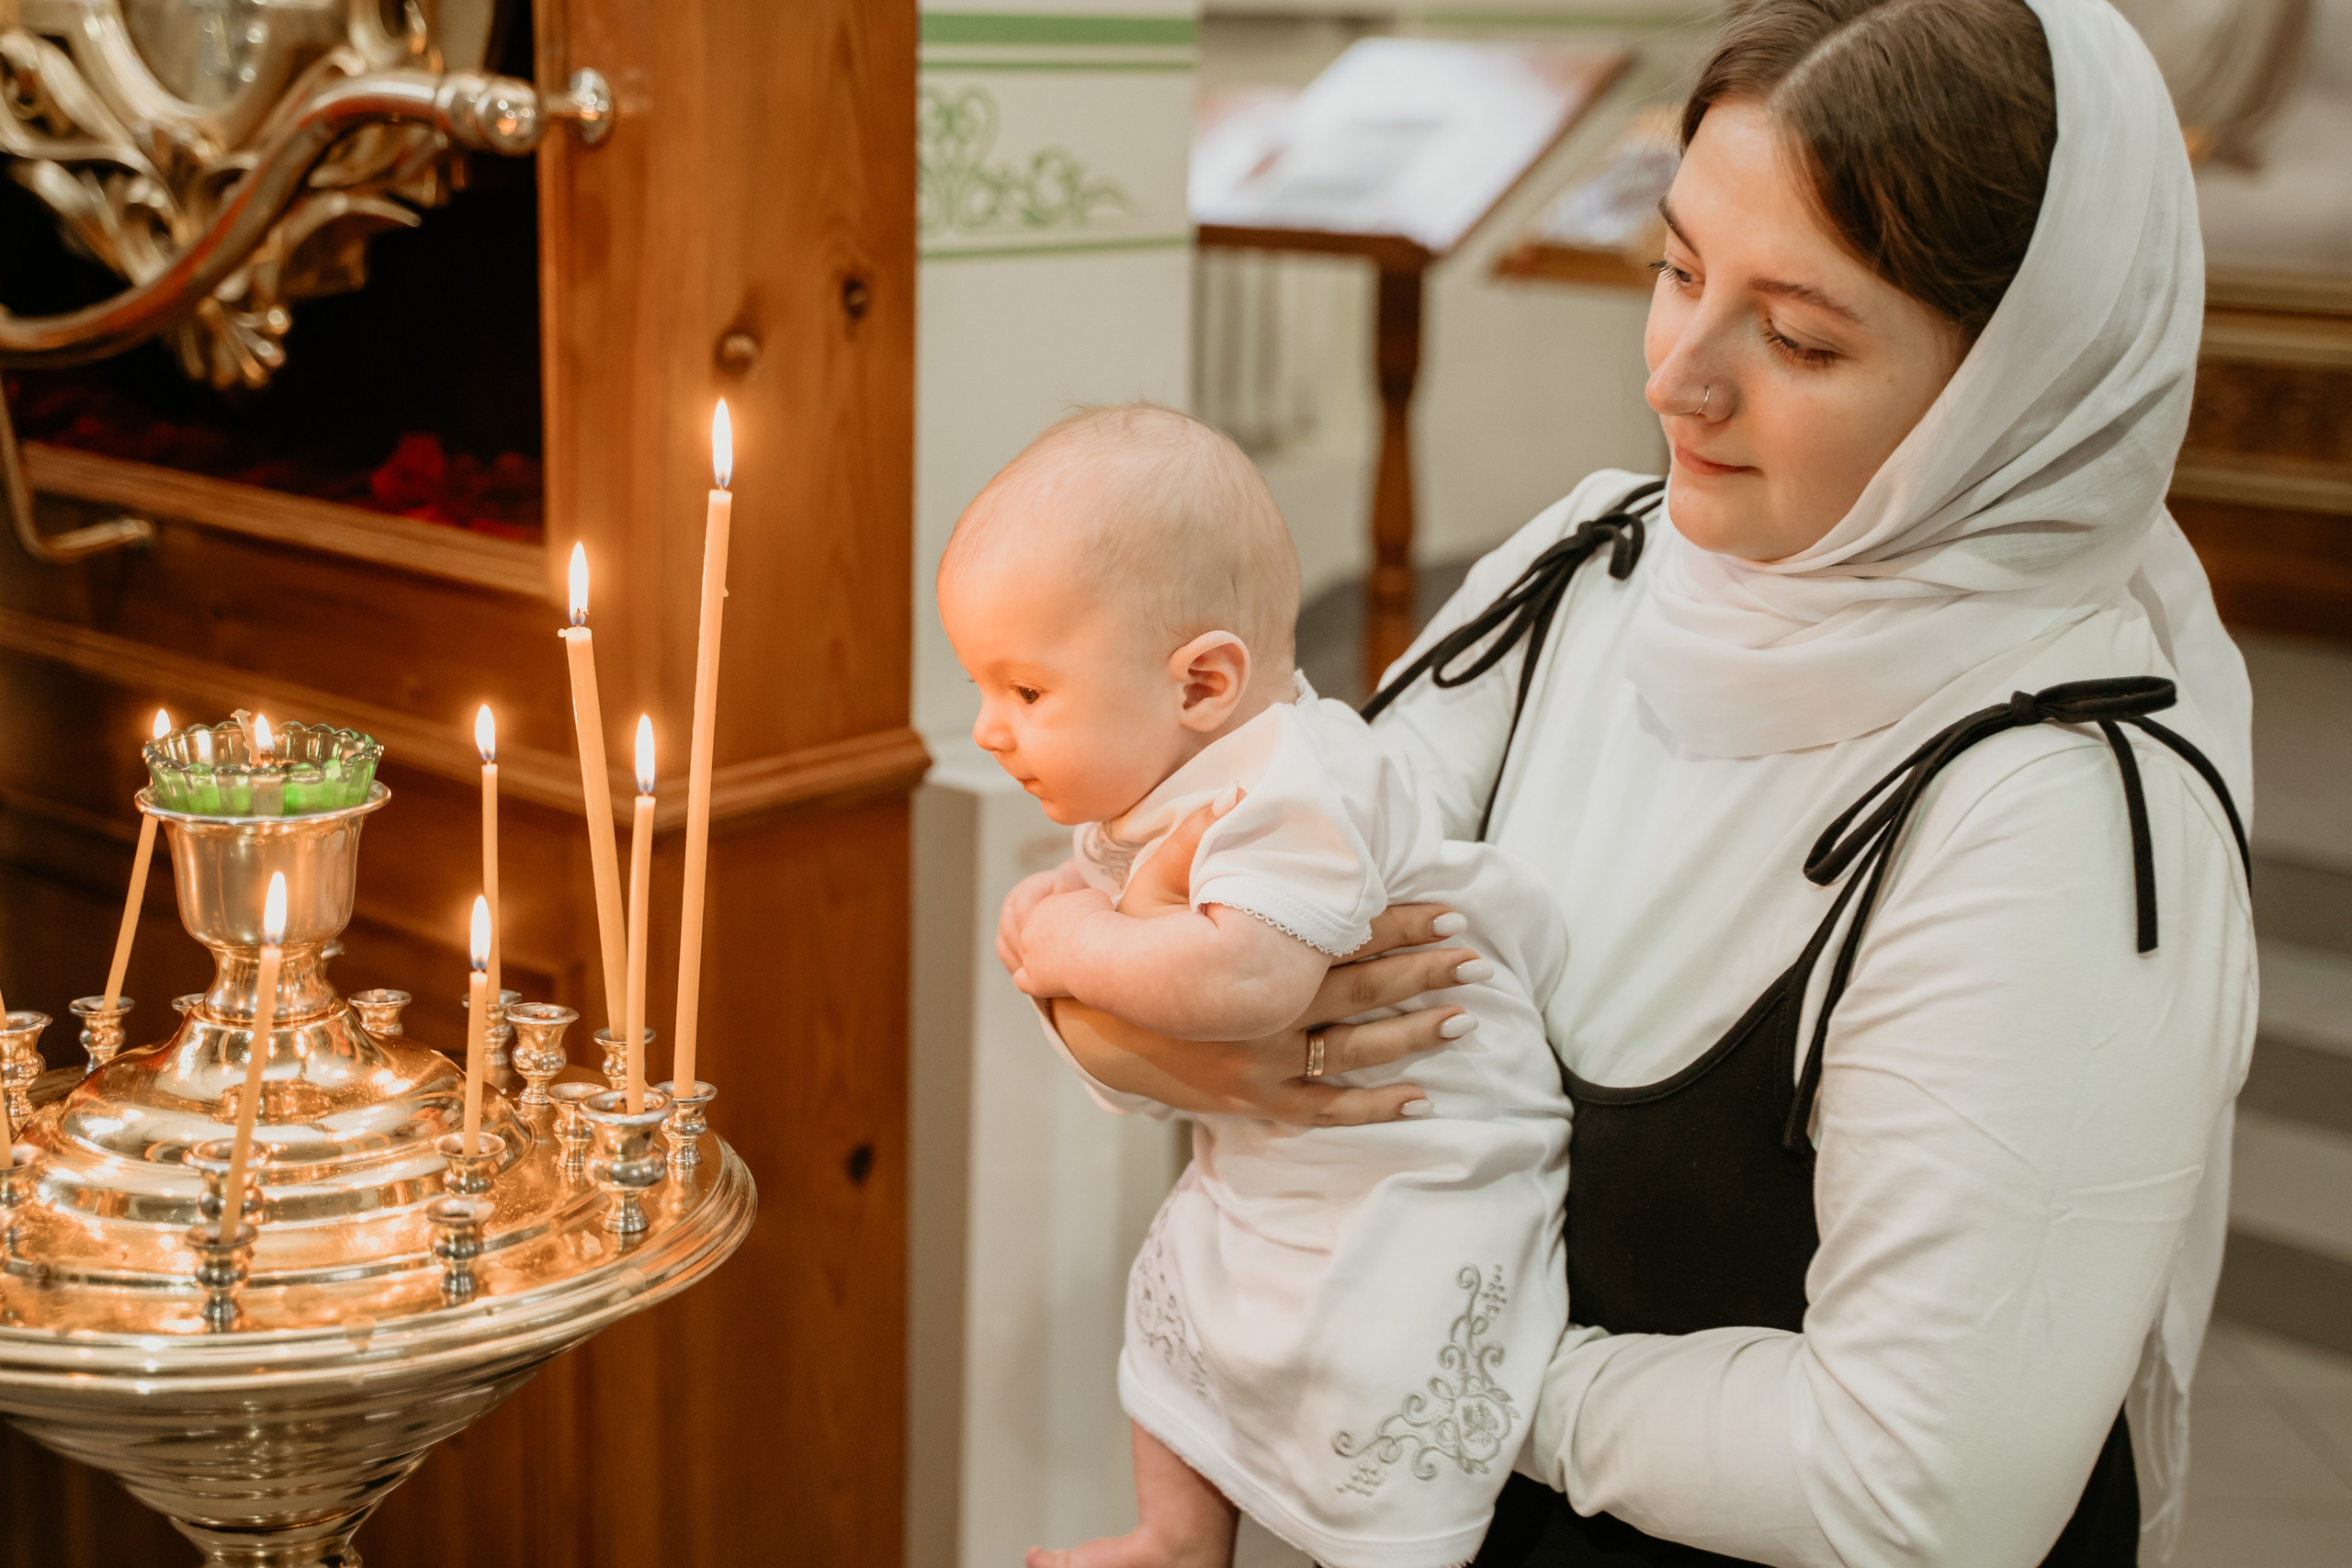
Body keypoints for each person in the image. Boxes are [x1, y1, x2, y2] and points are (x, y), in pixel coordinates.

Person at [1038, 1, 2259, 1563]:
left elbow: (1918, 1493)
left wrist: (1445, 1347)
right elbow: (1220, 890)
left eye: (1800, 337)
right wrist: (1146, 1015)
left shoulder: (2064, 808)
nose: (1680, 376)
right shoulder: (1584, 568)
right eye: (1676, 269)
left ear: (2013, 386)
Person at [939, 405, 1577, 1568]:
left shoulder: (1287, 785)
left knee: (1383, 1349)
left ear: (1203, 681)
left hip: (1423, 1163)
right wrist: (1071, 931)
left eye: (1025, 692)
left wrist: (1068, 948)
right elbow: (1134, 965)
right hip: (1290, 1154)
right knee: (1180, 1304)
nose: (988, 730)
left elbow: (1246, 978)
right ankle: (1177, 1538)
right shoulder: (1166, 777)